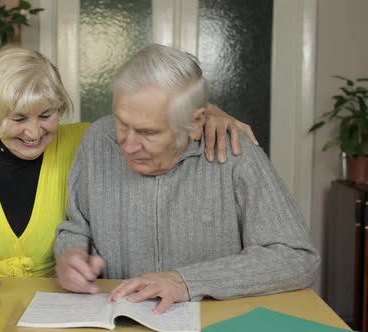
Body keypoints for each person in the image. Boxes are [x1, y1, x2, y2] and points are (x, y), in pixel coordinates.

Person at [0, 46, 257, 295]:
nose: (34, 132)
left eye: (46, 115)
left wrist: (211, 113)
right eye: (17, 119)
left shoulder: (88, 141)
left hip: (63, 311)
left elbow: (153, 109)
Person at [54, 44, 320, 314]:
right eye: (122, 124)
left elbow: (296, 257)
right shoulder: (97, 140)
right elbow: (77, 226)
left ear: (195, 123)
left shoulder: (235, 154)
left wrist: (185, 281)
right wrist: (69, 255)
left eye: (148, 132)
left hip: (215, 322)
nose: (128, 145)